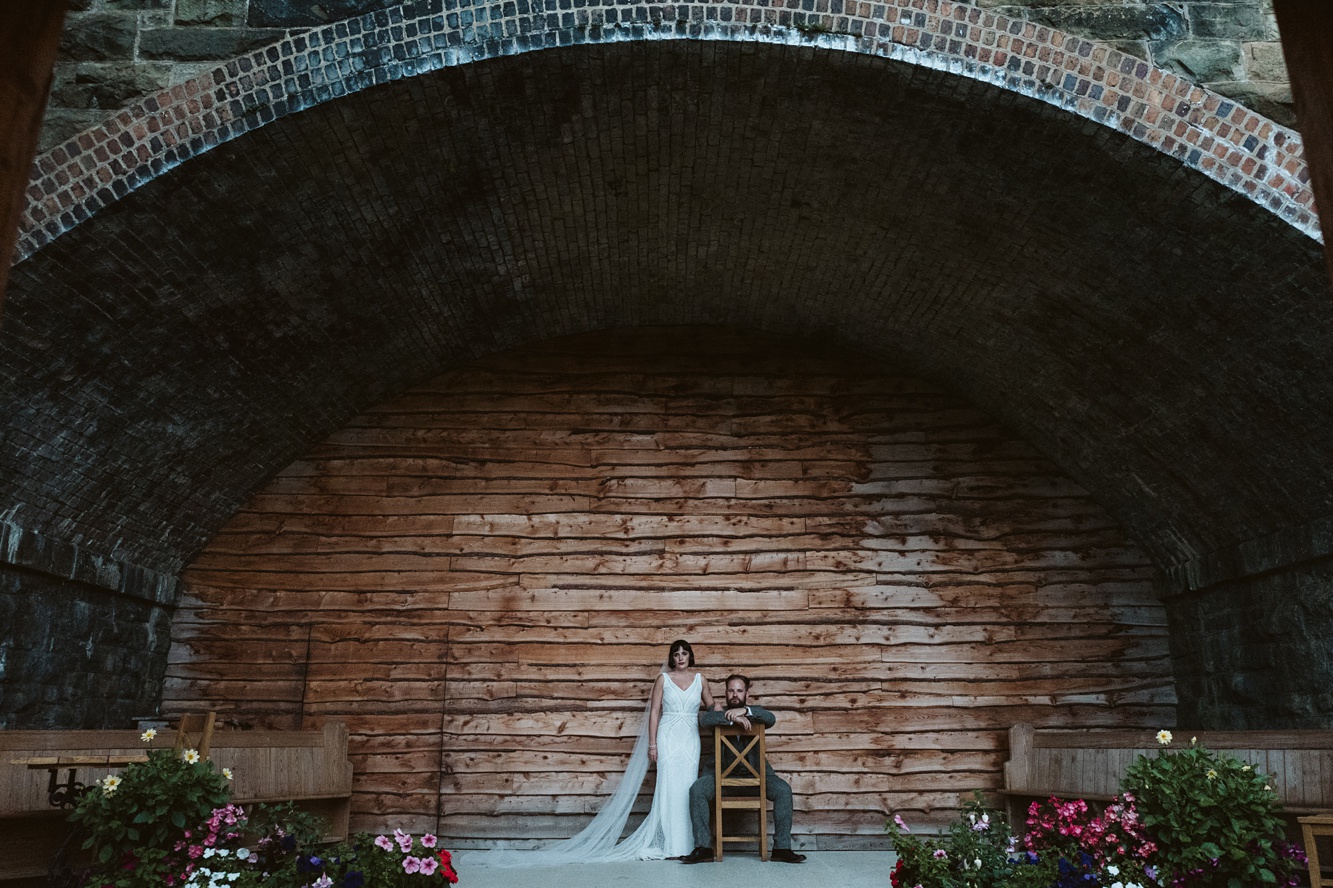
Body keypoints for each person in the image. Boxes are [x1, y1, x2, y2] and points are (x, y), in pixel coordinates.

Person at [463, 639, 714, 866]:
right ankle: (670, 845)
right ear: (672, 658)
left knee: (687, 786)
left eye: (685, 653)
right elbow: (655, 712)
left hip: (690, 738)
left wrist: (731, 713)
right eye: (676, 654)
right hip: (668, 735)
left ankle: (691, 844)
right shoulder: (663, 679)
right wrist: (652, 744)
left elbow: (712, 705)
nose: (680, 657)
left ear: (691, 656)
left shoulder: (701, 679)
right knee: (669, 787)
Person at [681, 674, 807, 864]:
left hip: (756, 776)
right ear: (725, 693)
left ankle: (782, 848)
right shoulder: (717, 715)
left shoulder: (756, 713)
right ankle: (704, 848)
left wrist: (745, 712)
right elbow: (705, 720)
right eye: (731, 690)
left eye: (739, 691)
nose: (734, 695)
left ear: (747, 693)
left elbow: (770, 718)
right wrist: (733, 719)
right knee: (697, 790)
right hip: (721, 778)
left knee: (783, 790)